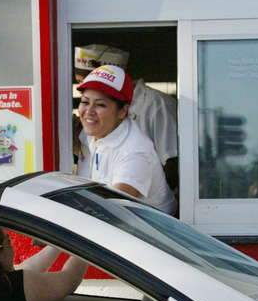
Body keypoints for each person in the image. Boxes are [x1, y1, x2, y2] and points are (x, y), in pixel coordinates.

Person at [73, 44, 179, 193]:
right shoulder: (91, 134)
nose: (89, 110)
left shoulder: (136, 149)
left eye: (100, 103)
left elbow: (172, 164)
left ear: (123, 111)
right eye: (85, 100)